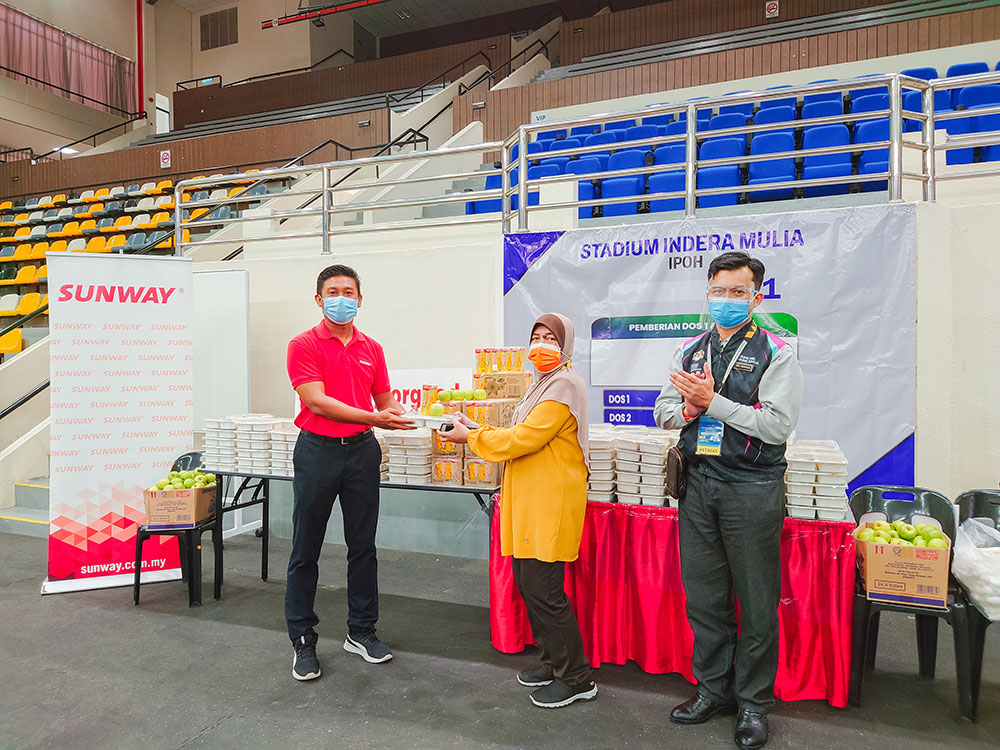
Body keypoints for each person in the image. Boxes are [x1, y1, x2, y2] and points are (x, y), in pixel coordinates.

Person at [653, 252, 802, 749]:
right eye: (719, 291)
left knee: (757, 601)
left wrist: (712, 403)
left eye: (738, 293)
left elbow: (778, 425)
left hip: (752, 487)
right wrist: (689, 410)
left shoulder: (776, 353)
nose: (726, 300)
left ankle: (754, 703)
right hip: (698, 484)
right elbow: (662, 412)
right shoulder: (692, 350)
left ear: (757, 297)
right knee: (705, 598)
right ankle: (712, 689)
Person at [443, 313, 596, 709]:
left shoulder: (564, 384)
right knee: (532, 586)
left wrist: (471, 437)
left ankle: (576, 677)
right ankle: (551, 662)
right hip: (531, 498)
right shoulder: (542, 384)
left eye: (551, 337)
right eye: (537, 336)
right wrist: (473, 424)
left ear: (566, 345)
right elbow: (517, 431)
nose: (541, 343)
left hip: (551, 500)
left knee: (545, 591)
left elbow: (525, 438)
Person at [284, 263, 414, 681]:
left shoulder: (371, 348)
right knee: (306, 548)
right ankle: (303, 640)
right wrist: (376, 418)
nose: (342, 298)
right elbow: (317, 402)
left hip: (361, 452)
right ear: (320, 299)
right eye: (333, 292)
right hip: (317, 451)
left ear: (360, 299)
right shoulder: (303, 344)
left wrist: (409, 416)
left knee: (364, 547)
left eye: (349, 292)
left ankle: (362, 631)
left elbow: (384, 399)